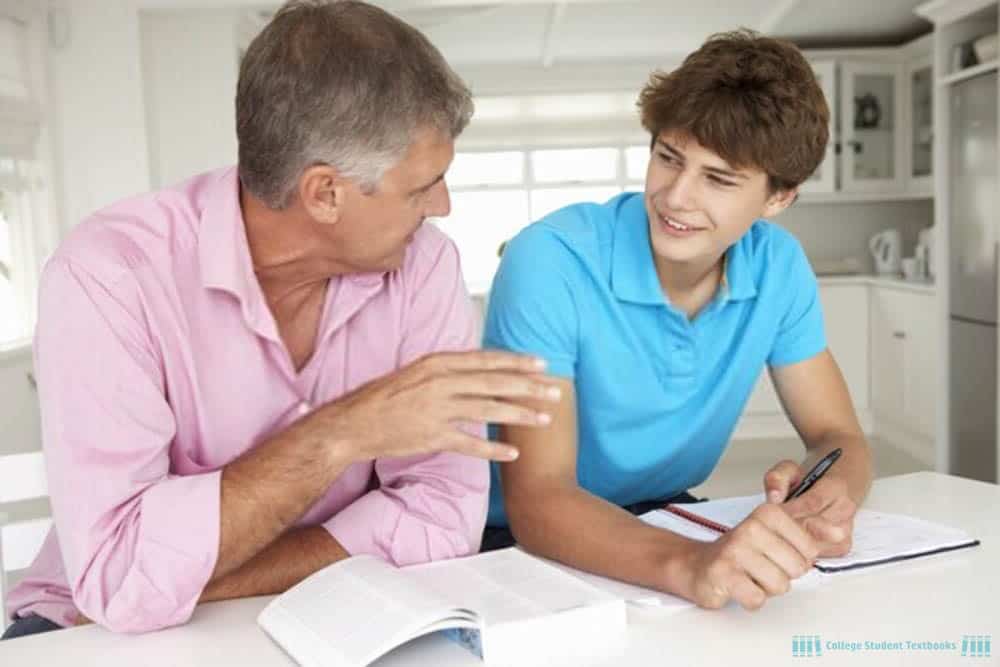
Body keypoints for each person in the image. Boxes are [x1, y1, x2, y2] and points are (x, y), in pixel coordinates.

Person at [2, 0, 561, 639]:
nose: (443, 205)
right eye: (422, 187)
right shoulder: (109, 276)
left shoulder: (423, 266)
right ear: (324, 193)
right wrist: (342, 434)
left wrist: (198, 580)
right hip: (85, 631)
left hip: (332, 606)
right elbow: (121, 584)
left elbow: (442, 519)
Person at [481, 29, 874, 612]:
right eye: (668, 158)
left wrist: (829, 495)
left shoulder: (779, 267)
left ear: (778, 199)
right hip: (512, 536)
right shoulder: (548, 260)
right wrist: (692, 566)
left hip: (667, 510)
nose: (675, 197)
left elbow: (838, 438)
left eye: (718, 179)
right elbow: (538, 502)